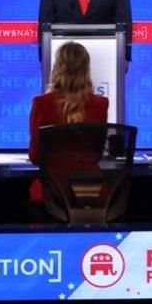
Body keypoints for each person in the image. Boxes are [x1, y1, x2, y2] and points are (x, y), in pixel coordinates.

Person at [28, 41, 108, 203]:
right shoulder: (100, 104)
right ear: (86, 70)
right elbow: (97, 155)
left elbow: (36, 156)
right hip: (92, 192)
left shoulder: (42, 103)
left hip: (53, 194)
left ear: (57, 68)